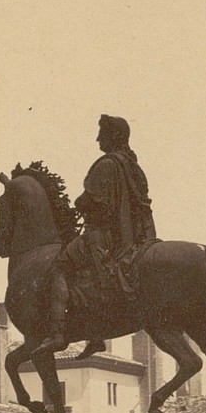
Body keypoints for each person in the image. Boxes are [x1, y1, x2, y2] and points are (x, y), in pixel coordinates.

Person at [63, 113, 157, 332]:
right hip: (134, 234)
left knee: (62, 262)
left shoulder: (107, 164)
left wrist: (79, 202)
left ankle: (64, 329)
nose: (97, 139)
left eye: (101, 134)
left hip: (106, 235)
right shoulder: (132, 165)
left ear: (112, 136)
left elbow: (94, 200)